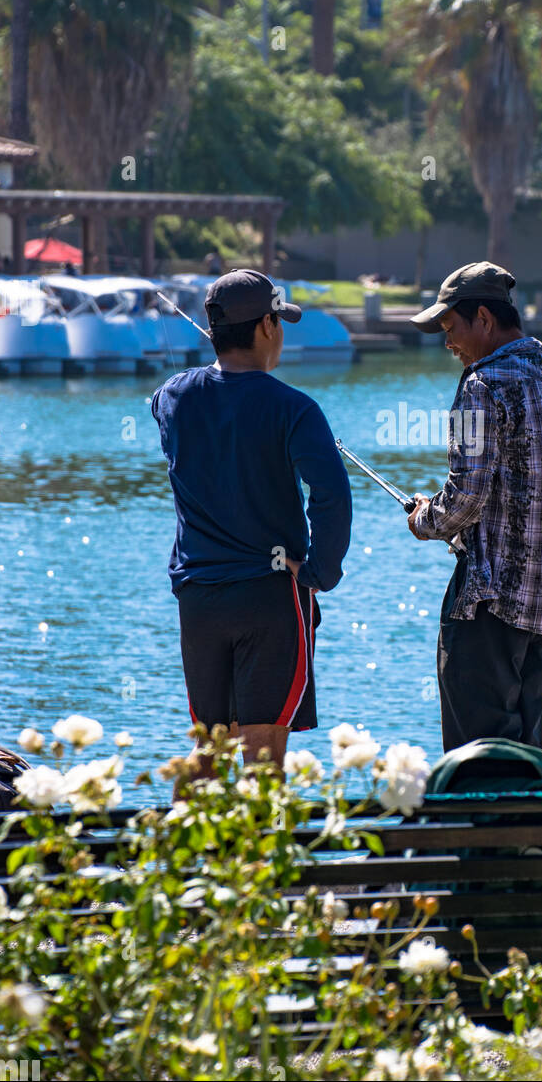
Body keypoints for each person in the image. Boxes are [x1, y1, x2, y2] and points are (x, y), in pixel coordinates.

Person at [151, 268, 352, 782]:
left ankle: (188, 861)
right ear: (266, 327)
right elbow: (330, 495)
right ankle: (266, 860)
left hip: (198, 598)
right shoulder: (296, 409)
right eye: (278, 322)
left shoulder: (172, 397)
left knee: (208, 749)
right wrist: (320, 572)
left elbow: (165, 404)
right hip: (269, 596)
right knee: (262, 753)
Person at [407, 261, 542, 752]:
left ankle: (483, 829)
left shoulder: (480, 386)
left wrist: (424, 519)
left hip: (492, 604)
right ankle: (529, 829)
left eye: (451, 329)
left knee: (480, 757)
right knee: (529, 752)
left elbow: (463, 500)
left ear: (483, 319)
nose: (448, 344)